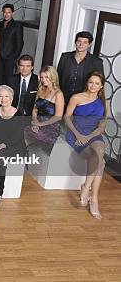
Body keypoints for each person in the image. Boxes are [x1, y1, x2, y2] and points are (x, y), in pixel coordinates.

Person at [64, 71, 107, 219]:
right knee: (100, 163)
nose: (93, 85)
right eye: (91, 82)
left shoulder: (102, 101)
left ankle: (86, 189)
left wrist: (90, 136)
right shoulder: (76, 97)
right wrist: (78, 135)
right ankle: (93, 198)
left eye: (96, 83)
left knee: (100, 149)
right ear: (87, 83)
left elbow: (102, 125)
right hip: (76, 133)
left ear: (101, 86)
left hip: (93, 134)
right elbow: (67, 117)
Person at [57, 31, 104, 106]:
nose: (81, 44)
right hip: (63, 98)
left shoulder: (96, 62)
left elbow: (100, 82)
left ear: (89, 44)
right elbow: (57, 77)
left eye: (85, 42)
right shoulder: (65, 57)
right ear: (75, 42)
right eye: (79, 41)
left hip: (83, 101)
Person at [24, 66, 65, 149]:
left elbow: (58, 117)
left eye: (46, 77)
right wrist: (35, 122)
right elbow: (35, 110)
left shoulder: (58, 94)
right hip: (37, 123)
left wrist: (41, 124)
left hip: (51, 127)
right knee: (23, 131)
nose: (43, 80)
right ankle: (26, 157)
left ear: (53, 77)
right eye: (42, 77)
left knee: (34, 139)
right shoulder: (40, 90)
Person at [0, 4, 24, 87]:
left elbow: (20, 43)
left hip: (10, 58)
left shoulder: (17, 26)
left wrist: (14, 57)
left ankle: (8, 98)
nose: (6, 14)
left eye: (9, 12)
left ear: (13, 13)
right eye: (4, 12)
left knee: (8, 80)